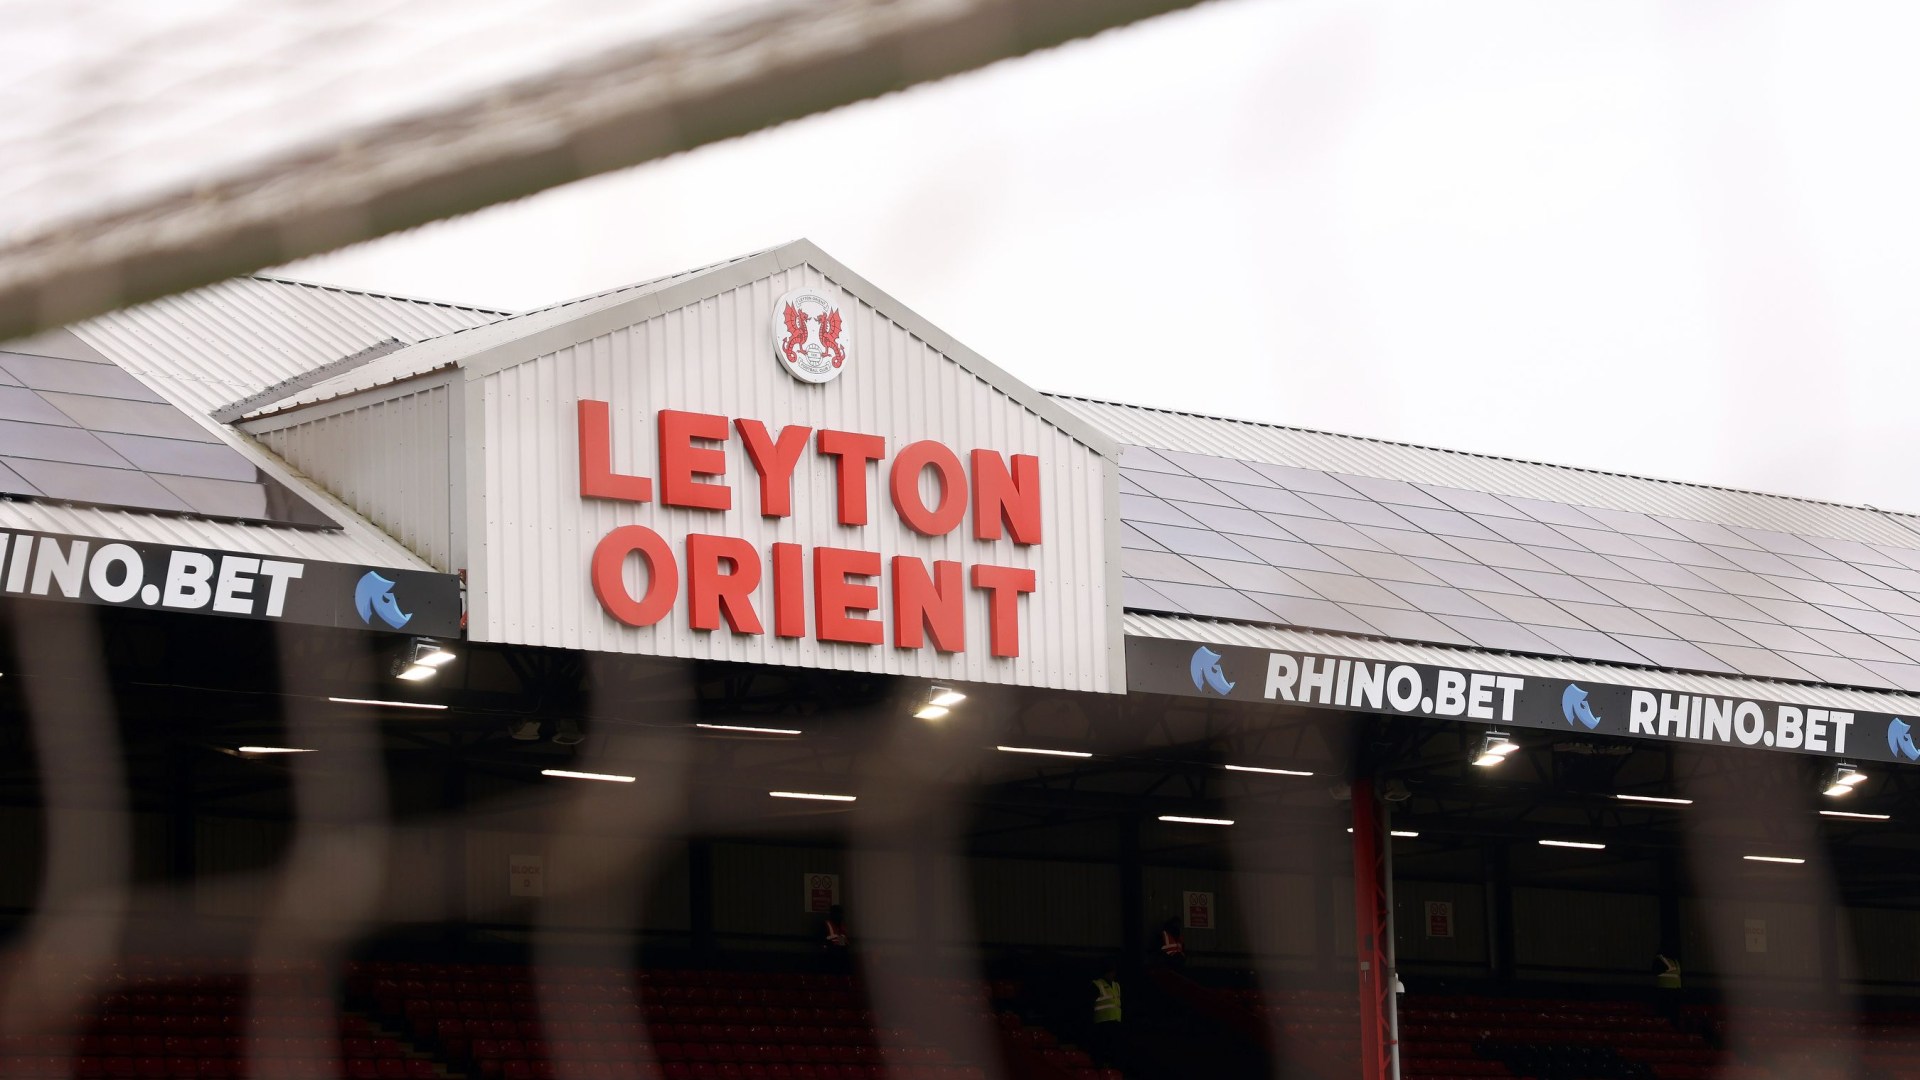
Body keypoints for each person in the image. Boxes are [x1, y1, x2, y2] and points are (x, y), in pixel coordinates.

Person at [1089, 960, 1123, 1067]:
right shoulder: (1097, 985)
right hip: (1102, 1024)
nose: (1114, 974)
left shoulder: (1116, 986)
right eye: (1112, 972)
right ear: (1107, 972)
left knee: (1114, 1052)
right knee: (1102, 1051)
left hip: (1115, 1023)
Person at [822, 904, 851, 972]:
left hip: (840, 954)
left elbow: (842, 942)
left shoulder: (841, 927)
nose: (840, 916)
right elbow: (823, 941)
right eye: (838, 913)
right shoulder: (826, 925)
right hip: (830, 954)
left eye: (841, 914)